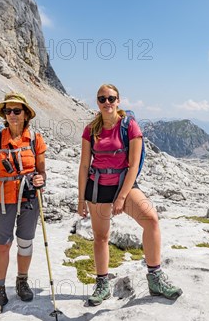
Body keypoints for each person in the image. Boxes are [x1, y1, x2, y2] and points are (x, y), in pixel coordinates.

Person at [77, 84, 182, 306]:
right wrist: (80, 199)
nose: (107, 102)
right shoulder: (90, 130)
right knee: (101, 237)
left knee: (151, 220)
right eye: (102, 99)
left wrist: (122, 197)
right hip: (97, 187)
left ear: (118, 100)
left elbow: (133, 165)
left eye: (111, 98)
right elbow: (84, 164)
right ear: (97, 102)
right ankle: (103, 284)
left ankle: (155, 278)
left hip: (123, 185)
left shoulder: (129, 126)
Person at [0, 92, 47, 317]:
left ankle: (21, 281)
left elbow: (42, 171)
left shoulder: (35, 139)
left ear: (26, 114)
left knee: (25, 243)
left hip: (28, 198)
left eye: (16, 111)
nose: (11, 115)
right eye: (7, 111)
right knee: (2, 245)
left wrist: (41, 179)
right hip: (2, 199)